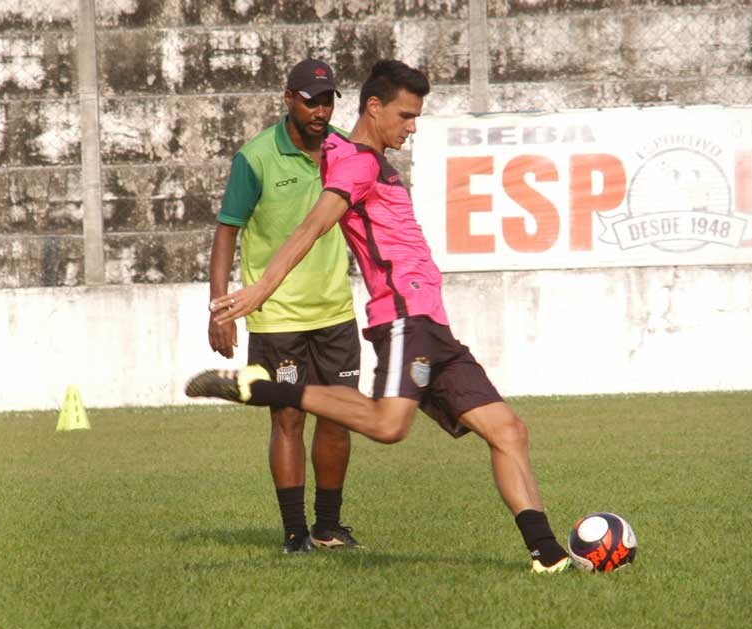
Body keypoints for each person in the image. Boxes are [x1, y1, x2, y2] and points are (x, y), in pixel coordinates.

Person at [188, 59, 571, 573]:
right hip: (404, 320)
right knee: (390, 426)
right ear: (375, 107)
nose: (412, 127)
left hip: (435, 328)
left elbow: (323, 140)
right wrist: (259, 289)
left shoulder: (355, 152)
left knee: (509, 431)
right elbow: (309, 229)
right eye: (406, 115)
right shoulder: (357, 165)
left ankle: (548, 556)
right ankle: (262, 389)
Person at [206, 58, 363, 554]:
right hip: (276, 318)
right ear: (288, 99)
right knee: (289, 419)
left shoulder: (344, 150)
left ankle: (328, 525)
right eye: (310, 99)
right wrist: (221, 309)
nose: (320, 110)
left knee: (340, 417)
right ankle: (295, 533)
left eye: (327, 100)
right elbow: (226, 232)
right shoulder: (254, 158)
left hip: (336, 311)